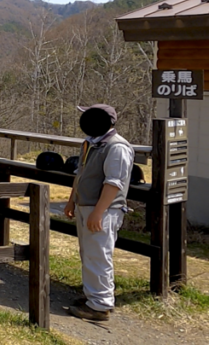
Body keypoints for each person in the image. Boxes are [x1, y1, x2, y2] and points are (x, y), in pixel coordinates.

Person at [64, 103, 134, 322]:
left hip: (104, 211)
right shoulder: (91, 143)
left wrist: (98, 212)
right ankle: (93, 297)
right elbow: (81, 174)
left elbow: (114, 183)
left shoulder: (117, 147)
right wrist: (71, 201)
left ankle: (100, 305)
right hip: (87, 206)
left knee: (99, 255)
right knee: (89, 254)